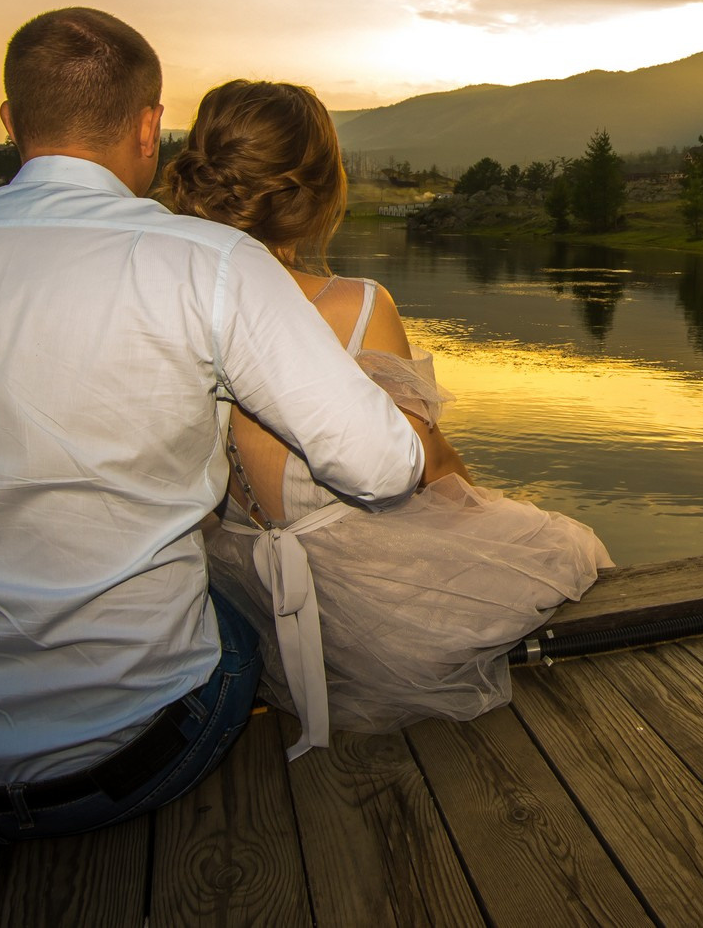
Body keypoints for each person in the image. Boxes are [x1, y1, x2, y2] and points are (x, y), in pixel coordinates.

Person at [0, 8, 431, 844]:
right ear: (151, 126)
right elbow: (384, 467)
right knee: (241, 601)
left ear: (11, 123)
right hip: (124, 759)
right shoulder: (209, 262)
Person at [161, 80, 610, 757]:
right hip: (356, 596)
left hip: (239, 576)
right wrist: (485, 524)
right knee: (564, 547)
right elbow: (428, 464)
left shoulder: (164, 304)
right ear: (318, 191)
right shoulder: (357, 303)